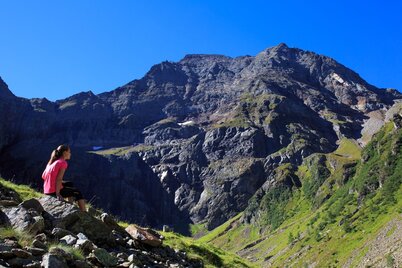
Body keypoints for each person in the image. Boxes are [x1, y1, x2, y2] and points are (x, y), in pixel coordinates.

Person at [42, 144, 86, 211]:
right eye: (69, 152)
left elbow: (43, 176)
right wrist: (58, 194)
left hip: (46, 190)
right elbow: (59, 179)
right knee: (77, 192)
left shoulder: (51, 163)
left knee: (69, 183)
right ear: (65, 152)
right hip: (53, 192)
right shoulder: (62, 162)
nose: (70, 154)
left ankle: (70, 205)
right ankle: (84, 213)